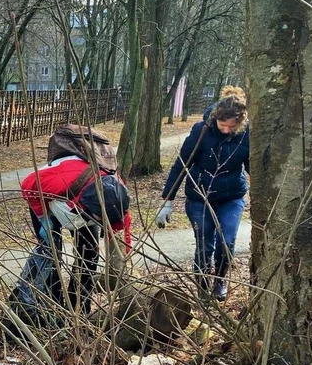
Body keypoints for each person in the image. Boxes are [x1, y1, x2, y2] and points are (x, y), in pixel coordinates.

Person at [156, 86, 249, 301]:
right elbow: (181, 165)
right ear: (216, 118)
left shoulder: (246, 135)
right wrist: (167, 200)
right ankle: (202, 284)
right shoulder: (201, 131)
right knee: (205, 243)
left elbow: (252, 167)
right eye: (222, 125)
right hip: (200, 197)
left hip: (231, 197)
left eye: (231, 127)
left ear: (239, 123)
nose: (226, 130)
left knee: (227, 242)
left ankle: (220, 281)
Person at [21, 136, 132, 310]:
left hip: (82, 202)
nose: (102, 222)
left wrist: (123, 257)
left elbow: (122, 233)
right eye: (98, 218)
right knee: (51, 253)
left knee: (89, 254)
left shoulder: (117, 200)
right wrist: (44, 219)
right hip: (47, 198)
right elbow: (28, 185)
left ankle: (79, 308)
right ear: (86, 204)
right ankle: (53, 306)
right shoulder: (61, 180)